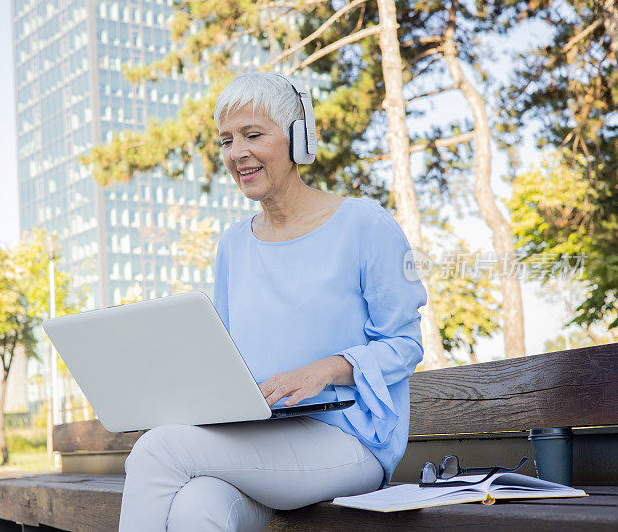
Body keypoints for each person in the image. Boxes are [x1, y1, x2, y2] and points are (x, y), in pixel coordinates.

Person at [118, 72, 428, 532]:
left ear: (298, 139)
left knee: (158, 450)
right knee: (196, 507)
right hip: (259, 442)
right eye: (226, 140)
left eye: (253, 135)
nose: (237, 152)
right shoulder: (233, 246)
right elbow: (225, 356)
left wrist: (326, 368)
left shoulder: (364, 225)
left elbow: (405, 345)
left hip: (348, 441)